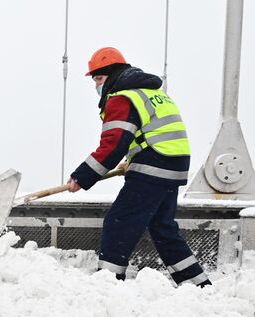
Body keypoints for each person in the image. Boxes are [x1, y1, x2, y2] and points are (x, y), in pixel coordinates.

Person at [68, 47, 211, 287]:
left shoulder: (123, 97)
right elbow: (151, 133)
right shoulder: (152, 93)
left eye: (100, 79)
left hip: (154, 165)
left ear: (113, 75)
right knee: (162, 227)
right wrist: (133, 160)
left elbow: (113, 144)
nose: (97, 86)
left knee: (119, 220)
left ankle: (108, 282)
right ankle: (197, 283)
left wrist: (83, 176)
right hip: (172, 164)